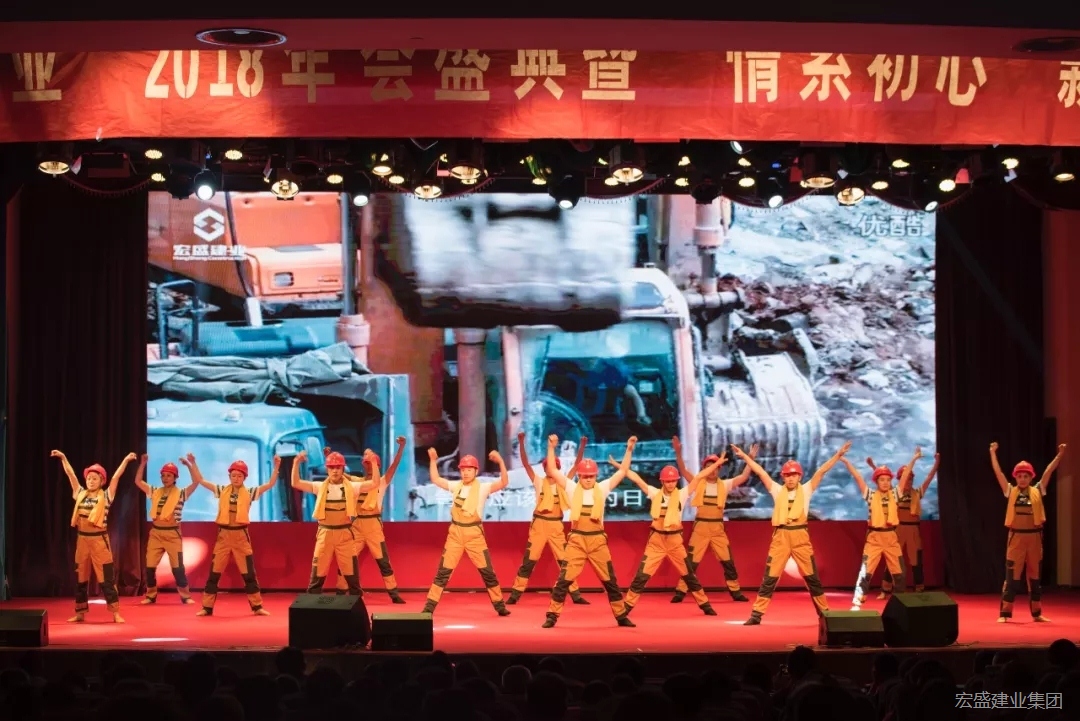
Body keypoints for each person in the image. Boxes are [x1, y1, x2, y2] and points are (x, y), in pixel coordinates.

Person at [734, 441, 851, 625]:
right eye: (787, 475)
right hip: (781, 537)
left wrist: (837, 455)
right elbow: (761, 473)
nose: (790, 478)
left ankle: (824, 613)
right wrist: (746, 457)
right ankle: (756, 614)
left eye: (794, 475)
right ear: (783, 477)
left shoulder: (806, 489)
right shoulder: (777, 490)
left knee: (812, 578)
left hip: (800, 536)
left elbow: (821, 471)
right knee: (770, 577)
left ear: (799, 476)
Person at [541, 434, 638, 628]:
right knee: (564, 580)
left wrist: (628, 450)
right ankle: (552, 615)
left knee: (610, 581)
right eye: (585, 476)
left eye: (591, 476)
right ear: (579, 476)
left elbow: (622, 471)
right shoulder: (571, 488)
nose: (588, 479)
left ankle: (621, 615)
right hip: (576, 541)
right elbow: (552, 470)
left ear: (596, 476)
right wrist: (551, 448)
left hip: (597, 542)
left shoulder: (602, 488)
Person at [616, 455, 722, 617]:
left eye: (673, 481)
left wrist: (717, 464)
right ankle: (627, 606)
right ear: (662, 482)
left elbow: (699, 477)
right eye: (668, 481)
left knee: (689, 576)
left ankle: (705, 605)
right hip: (656, 542)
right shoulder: (655, 493)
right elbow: (637, 479)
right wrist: (621, 467)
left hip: (675, 542)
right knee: (641, 576)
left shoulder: (682, 494)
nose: (671, 484)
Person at [421, 449, 511, 616]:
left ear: (476, 471)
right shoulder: (456, 486)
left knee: (487, 572)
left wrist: (500, 461)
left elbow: (504, 482)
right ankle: (429, 606)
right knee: (443, 572)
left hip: (474, 535)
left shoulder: (483, 488)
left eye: (469, 469)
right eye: (463, 469)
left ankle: (500, 605)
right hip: (455, 533)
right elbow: (436, 479)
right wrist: (433, 460)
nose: (466, 473)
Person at [52, 449, 137, 623]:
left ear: (102, 481)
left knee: (107, 578)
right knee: (81, 578)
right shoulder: (80, 493)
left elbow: (116, 477)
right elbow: (71, 475)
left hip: (99, 541)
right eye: (89, 478)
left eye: (95, 478)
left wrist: (126, 460)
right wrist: (63, 457)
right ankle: (80, 612)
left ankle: (115, 612)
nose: (91, 481)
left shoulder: (106, 495)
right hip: (82, 540)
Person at [188, 455, 280, 617]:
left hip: (240, 536)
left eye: (239, 476)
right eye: (233, 475)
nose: (236, 478)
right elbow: (201, 480)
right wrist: (193, 463)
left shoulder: (250, 492)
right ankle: (207, 607)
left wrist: (276, 467)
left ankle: (257, 606)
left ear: (245, 477)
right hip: (223, 536)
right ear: (229, 476)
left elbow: (270, 484)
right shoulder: (222, 490)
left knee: (248, 573)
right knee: (214, 573)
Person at [507, 431, 589, 606]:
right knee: (529, 561)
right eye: (549, 466)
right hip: (539, 525)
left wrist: (582, 446)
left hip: (556, 526)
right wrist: (521, 442)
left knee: (565, 561)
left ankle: (575, 594)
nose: (551, 469)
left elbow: (576, 465)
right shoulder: (538, 481)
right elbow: (525, 464)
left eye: (555, 466)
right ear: (544, 468)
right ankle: (515, 593)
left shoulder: (563, 482)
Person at [670, 437, 756, 603]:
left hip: (718, 529)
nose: (712, 470)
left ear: (719, 469)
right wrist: (679, 452)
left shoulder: (725, 484)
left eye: (715, 467)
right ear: (704, 469)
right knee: (691, 562)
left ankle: (735, 591)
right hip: (701, 528)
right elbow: (683, 470)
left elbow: (744, 476)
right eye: (709, 467)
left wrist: (750, 458)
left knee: (727, 561)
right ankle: (681, 591)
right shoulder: (698, 483)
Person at [990, 441, 1066, 623]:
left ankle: (1037, 613)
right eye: (1019, 476)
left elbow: (1049, 471)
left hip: (1034, 538)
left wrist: (1060, 454)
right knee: (1012, 576)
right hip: (1016, 537)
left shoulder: (1038, 490)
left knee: (1035, 577)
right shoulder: (1010, 490)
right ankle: (1005, 614)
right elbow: (998, 473)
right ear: (1015, 478)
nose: (1022, 479)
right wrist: (992, 453)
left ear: (1031, 477)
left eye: (1025, 476)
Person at [332, 438, 408, 603]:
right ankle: (340, 590)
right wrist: (329, 458)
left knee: (383, 561)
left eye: (370, 463)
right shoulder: (358, 482)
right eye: (365, 463)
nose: (367, 466)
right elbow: (340, 475)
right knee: (347, 558)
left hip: (373, 526)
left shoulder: (382, 482)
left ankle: (394, 593)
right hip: (357, 525)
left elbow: (394, 466)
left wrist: (401, 447)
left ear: (377, 465)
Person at [291, 449, 376, 595]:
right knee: (318, 571)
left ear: (343, 469)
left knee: (351, 574)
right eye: (331, 467)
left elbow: (374, 483)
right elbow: (296, 483)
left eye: (338, 467)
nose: (335, 471)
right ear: (327, 469)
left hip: (344, 534)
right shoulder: (319, 487)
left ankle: (356, 604)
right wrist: (296, 463)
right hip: (325, 534)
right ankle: (311, 603)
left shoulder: (353, 487)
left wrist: (373, 463)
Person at [841, 451, 911, 610]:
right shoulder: (871, 495)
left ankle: (900, 603)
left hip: (891, 537)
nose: (885, 483)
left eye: (888, 480)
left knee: (899, 573)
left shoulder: (895, 494)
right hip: (874, 538)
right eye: (882, 480)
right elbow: (858, 477)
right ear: (876, 481)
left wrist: (913, 459)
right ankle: (858, 601)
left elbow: (905, 476)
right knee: (866, 571)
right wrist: (846, 462)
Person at [867, 449, 939, 597]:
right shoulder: (895, 493)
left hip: (913, 531)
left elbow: (929, 477)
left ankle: (919, 588)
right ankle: (885, 589)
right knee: (892, 560)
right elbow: (882, 480)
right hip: (898, 530)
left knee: (916, 560)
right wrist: (873, 466)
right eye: (905, 479)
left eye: (910, 479)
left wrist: (937, 462)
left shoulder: (917, 493)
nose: (908, 482)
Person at [134, 453, 201, 605]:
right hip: (156, 533)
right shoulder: (155, 491)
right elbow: (138, 481)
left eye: (169, 475)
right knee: (150, 566)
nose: (165, 478)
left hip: (172, 534)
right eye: (163, 475)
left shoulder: (181, 493)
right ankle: (150, 595)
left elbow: (197, 481)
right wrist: (143, 463)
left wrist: (190, 464)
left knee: (177, 568)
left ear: (175, 477)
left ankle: (185, 596)